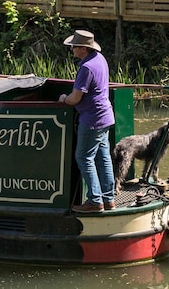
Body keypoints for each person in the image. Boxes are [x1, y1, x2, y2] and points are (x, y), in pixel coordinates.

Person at [59, 30, 116, 213]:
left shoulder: (86, 68)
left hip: (92, 119)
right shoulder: (100, 59)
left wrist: (63, 99)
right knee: (103, 158)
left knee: (83, 157)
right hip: (105, 116)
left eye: (74, 47)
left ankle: (94, 201)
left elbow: (75, 98)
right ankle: (109, 199)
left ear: (83, 48)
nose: (72, 50)